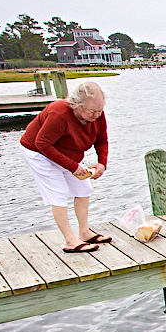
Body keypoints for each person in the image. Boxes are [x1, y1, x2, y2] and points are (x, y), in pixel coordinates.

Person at [19, 81, 110, 254]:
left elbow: (102, 140)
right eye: (92, 111)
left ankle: (84, 233)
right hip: (37, 152)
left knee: (84, 187)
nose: (96, 115)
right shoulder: (59, 113)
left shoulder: (98, 116)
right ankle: (70, 241)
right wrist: (72, 167)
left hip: (63, 152)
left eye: (100, 110)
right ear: (77, 104)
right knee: (58, 192)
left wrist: (102, 163)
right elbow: (42, 143)